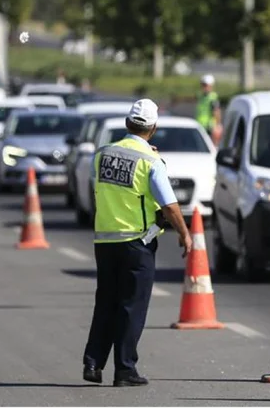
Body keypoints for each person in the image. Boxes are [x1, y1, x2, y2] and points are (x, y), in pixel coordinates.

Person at [82, 98, 193, 387]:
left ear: (127, 123)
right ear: (153, 128)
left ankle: (93, 363)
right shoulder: (151, 162)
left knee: (105, 302)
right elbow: (168, 205)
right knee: (132, 306)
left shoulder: (102, 154)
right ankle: (125, 369)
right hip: (136, 242)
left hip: (104, 240)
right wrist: (185, 233)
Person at [195, 74, 222, 143]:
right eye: (203, 85)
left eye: (206, 85)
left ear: (210, 86)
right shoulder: (201, 96)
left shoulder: (213, 98)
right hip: (200, 124)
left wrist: (218, 126)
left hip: (209, 127)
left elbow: (216, 112)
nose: (204, 87)